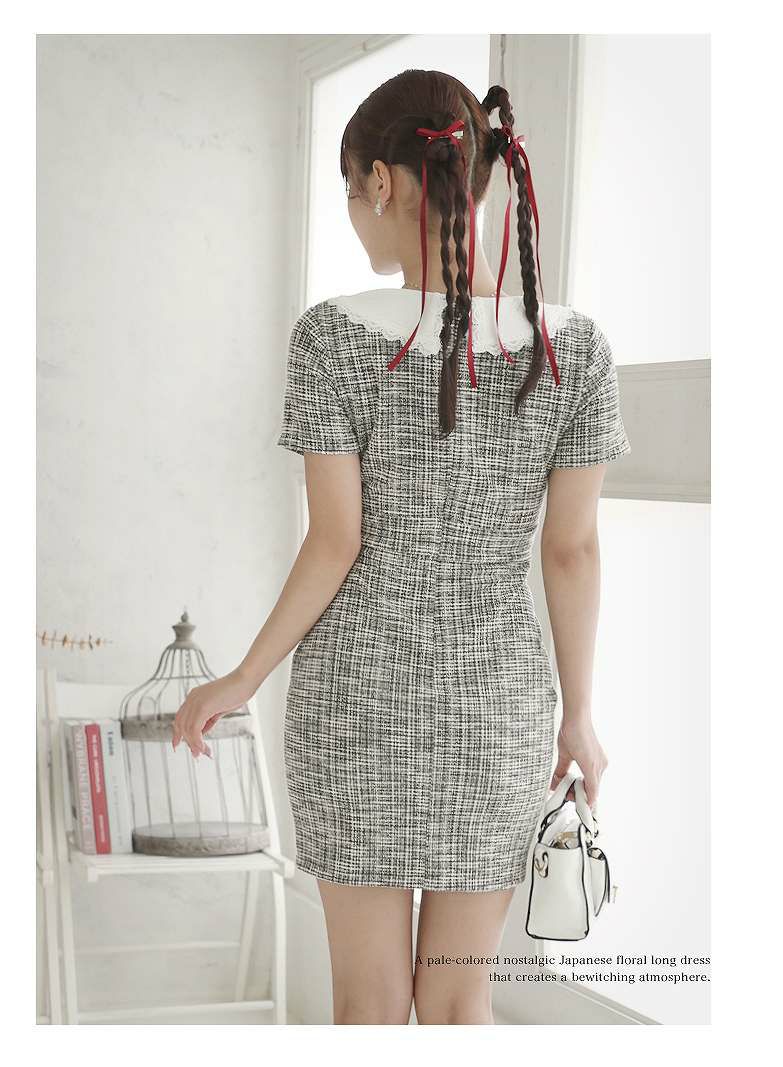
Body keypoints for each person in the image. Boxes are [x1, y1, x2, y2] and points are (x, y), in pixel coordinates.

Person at [172, 70, 632, 1025]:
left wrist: (244, 676)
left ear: (380, 182)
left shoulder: (332, 339)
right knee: (461, 1003)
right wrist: (580, 714)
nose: (354, 217)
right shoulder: (575, 351)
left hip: (356, 705)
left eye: (350, 190)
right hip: (497, 711)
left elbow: (335, 542)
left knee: (369, 1003)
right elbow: (572, 552)